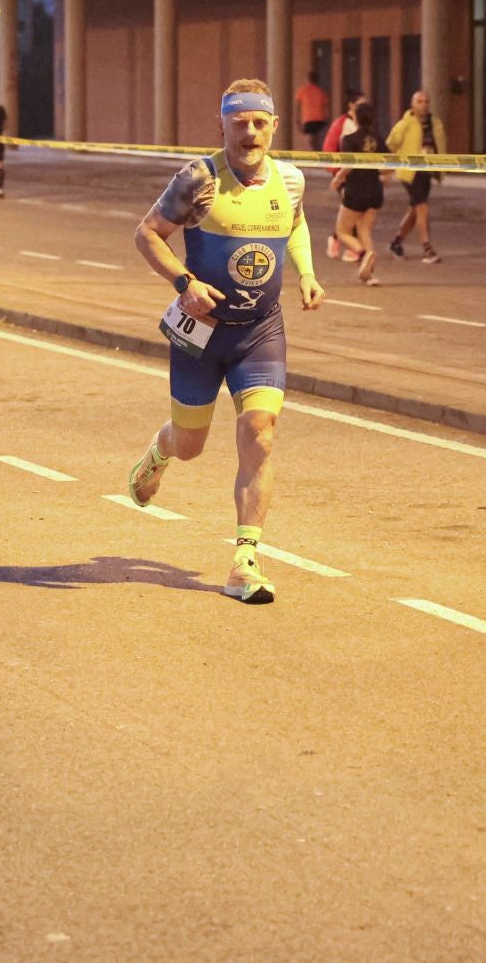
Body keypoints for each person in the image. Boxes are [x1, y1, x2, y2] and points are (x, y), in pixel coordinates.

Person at [125, 78, 325, 605]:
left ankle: (245, 560)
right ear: (223, 125)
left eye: (260, 123)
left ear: (275, 126)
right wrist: (184, 283)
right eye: (240, 123)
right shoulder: (199, 179)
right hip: (201, 335)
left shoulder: (291, 179)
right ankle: (161, 450)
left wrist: (306, 272)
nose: (250, 132)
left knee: (260, 431)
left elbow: (297, 225)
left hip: (260, 331)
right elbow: (146, 233)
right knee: (191, 446)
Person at [386, 89, 445, 264]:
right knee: (422, 208)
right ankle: (427, 247)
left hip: (427, 170)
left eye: (426, 101)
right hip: (410, 172)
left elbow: (440, 146)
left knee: (415, 210)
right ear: (412, 104)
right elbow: (391, 143)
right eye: (419, 101)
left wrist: (441, 169)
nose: (423, 105)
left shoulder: (435, 123)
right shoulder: (405, 123)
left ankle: (397, 242)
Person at [330, 100, 385, 285]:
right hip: (375, 190)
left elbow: (348, 165)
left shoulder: (349, 139)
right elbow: (388, 167)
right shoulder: (379, 139)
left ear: (355, 118)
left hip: (356, 190)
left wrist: (338, 178)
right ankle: (369, 274)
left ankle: (364, 254)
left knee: (343, 230)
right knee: (364, 230)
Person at [322, 93, 361, 260]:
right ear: (351, 105)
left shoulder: (353, 123)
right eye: (360, 104)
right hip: (344, 173)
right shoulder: (348, 125)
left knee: (354, 211)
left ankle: (339, 240)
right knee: (352, 211)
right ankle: (349, 245)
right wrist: (340, 174)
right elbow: (350, 151)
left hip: (351, 173)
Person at [294, 71, 330, 151]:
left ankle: (315, 154)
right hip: (320, 119)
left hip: (308, 119)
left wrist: (297, 120)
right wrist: (327, 118)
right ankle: (317, 152)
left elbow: (298, 106)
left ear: (307, 79)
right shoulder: (321, 92)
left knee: (311, 140)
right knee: (316, 140)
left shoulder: (302, 91)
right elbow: (326, 107)